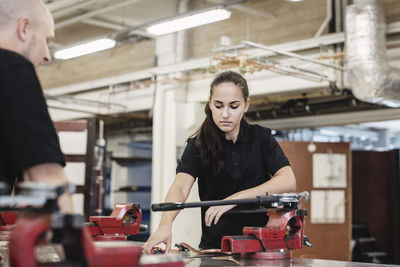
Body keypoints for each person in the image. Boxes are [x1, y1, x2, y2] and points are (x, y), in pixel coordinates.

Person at [143, 71, 296, 253]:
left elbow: (288, 180)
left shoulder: (261, 138)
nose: (225, 114)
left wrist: (234, 199)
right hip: (214, 249)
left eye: (233, 106)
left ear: (246, 105)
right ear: (210, 104)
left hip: (259, 248)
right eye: (218, 105)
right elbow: (180, 187)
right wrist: (165, 224)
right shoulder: (198, 144)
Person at [0, 0, 74, 213]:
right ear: (24, 28)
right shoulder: (10, 67)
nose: (47, 55)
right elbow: (48, 181)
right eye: (47, 40)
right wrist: (75, 247)